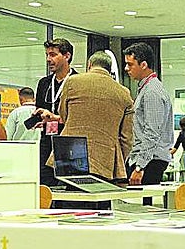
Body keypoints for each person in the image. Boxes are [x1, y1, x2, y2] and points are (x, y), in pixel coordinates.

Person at [54, 51, 133, 181]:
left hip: (70, 154)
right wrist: (118, 160)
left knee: (71, 198)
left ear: (89, 65)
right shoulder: (124, 93)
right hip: (105, 159)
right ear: (109, 69)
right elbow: (127, 137)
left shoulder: (72, 81)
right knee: (101, 197)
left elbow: (63, 114)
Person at [25, 39, 77, 185]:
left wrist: (56, 118)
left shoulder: (78, 81)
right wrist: (40, 118)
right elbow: (39, 109)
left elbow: (79, 117)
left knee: (68, 185)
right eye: (47, 55)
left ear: (67, 56)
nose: (48, 59)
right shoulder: (44, 83)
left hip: (69, 142)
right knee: (45, 184)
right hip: (47, 141)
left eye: (53, 55)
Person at [123, 42, 173, 185]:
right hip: (148, 159)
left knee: (144, 206)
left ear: (143, 64)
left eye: (130, 64)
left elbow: (152, 132)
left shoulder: (152, 92)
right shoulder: (147, 89)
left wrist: (140, 166)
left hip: (150, 161)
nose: (126, 68)